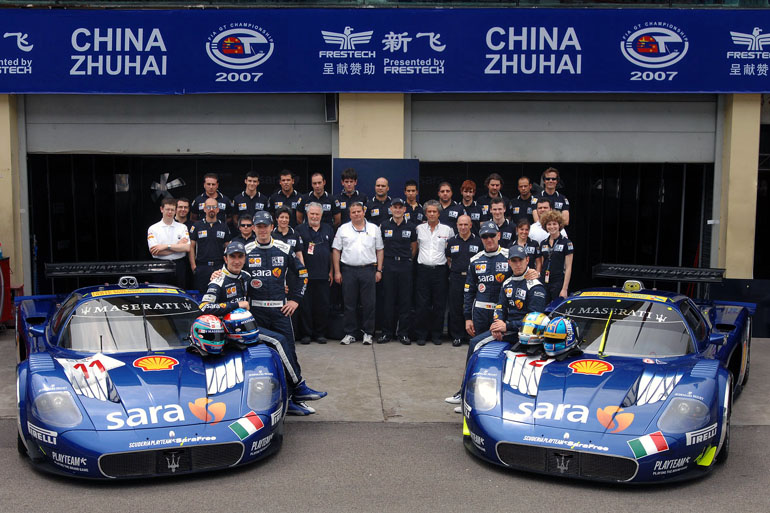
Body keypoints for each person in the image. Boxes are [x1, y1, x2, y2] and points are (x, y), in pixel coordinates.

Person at [202, 240, 324, 415]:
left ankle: (289, 398)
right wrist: (237, 303)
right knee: (278, 341)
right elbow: (204, 307)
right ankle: (299, 387)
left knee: (281, 348)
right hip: (228, 333)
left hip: (244, 327)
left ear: (245, 258)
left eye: (240, 257)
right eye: (232, 257)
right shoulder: (218, 280)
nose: (236, 261)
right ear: (225, 258)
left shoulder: (244, 276)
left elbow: (265, 281)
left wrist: (289, 292)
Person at [447, 244, 546, 410]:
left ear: (527, 260)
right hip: (507, 330)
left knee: (475, 344)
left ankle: (465, 396)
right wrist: (496, 325)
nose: (517, 264)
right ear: (509, 262)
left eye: (520, 260)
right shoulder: (507, 282)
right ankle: (466, 394)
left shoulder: (535, 286)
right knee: (478, 345)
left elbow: (535, 320)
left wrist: (505, 326)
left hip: (526, 334)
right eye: (513, 261)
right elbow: (499, 308)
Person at [332, 202, 384, 345]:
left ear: (363, 212)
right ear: (350, 214)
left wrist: (379, 270)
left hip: (368, 269)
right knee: (349, 304)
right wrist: (337, 272)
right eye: (353, 212)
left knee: (369, 304)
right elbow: (336, 250)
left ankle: (368, 333)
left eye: (358, 211)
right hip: (348, 270)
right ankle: (350, 333)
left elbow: (380, 250)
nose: (356, 214)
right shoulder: (343, 229)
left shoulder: (374, 229)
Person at [414, 200, 454, 345]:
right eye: (429, 211)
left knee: (439, 304)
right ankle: (421, 335)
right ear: (425, 213)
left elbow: (450, 251)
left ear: (439, 213)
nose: (431, 214)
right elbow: (415, 247)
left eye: (434, 211)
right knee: (422, 304)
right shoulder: (419, 229)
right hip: (423, 270)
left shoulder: (447, 230)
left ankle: (437, 335)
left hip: (440, 271)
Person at [378, 197, 417, 344]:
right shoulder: (384, 225)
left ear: (404, 209)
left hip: (405, 266)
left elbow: (414, 247)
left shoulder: (411, 227)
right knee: (388, 300)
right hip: (389, 265)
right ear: (391, 209)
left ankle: (403, 334)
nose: (398, 210)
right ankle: (387, 333)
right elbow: (380, 247)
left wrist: (406, 259)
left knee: (405, 301)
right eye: (395, 207)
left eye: (400, 207)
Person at [463, 222, 509, 345]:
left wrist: (533, 273)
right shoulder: (474, 260)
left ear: (498, 235)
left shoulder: (509, 257)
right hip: (480, 313)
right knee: (479, 345)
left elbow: (523, 273)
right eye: (485, 236)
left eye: (492, 235)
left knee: (500, 346)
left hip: (501, 313)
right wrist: (468, 318)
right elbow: (469, 291)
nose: (489, 239)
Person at [295, 202, 335, 344]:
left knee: (322, 306)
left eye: (317, 214)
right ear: (307, 214)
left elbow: (332, 252)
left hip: (323, 275)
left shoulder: (328, 229)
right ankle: (306, 334)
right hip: (305, 276)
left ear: (321, 215)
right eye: (312, 213)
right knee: (306, 306)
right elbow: (297, 253)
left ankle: (320, 334)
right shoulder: (299, 230)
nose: (314, 216)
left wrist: (331, 271)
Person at [445, 215, 480, 347]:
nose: (463, 227)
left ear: (471, 225)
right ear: (457, 226)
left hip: (473, 279)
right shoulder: (452, 241)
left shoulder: (478, 241)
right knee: (455, 306)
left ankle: (471, 335)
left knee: (472, 306)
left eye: (466, 224)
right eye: (461, 225)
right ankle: (457, 336)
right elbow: (449, 258)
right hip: (456, 277)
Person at [189, 197, 232, 294]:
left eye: (214, 207)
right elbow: (191, 246)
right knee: (201, 294)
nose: (211, 209)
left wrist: (227, 265)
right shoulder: (197, 226)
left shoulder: (224, 226)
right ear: (204, 209)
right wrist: (193, 266)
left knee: (219, 293)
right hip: (201, 266)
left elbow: (228, 247)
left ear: (218, 209)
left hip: (219, 266)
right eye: (208, 207)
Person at [147, 197, 190, 288]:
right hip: (160, 266)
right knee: (161, 295)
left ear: (175, 211)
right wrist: (178, 246)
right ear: (161, 209)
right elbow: (154, 251)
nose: (170, 212)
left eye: (172, 210)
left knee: (180, 293)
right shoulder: (153, 228)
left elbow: (187, 248)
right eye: (167, 209)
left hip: (179, 265)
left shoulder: (182, 227)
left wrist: (165, 246)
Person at [538, 210, 574, 304]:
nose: (552, 226)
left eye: (554, 224)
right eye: (549, 224)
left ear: (559, 225)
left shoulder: (567, 243)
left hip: (558, 282)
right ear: (545, 226)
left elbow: (568, 267)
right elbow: (541, 264)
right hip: (544, 281)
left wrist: (564, 289)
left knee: (555, 310)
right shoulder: (543, 243)